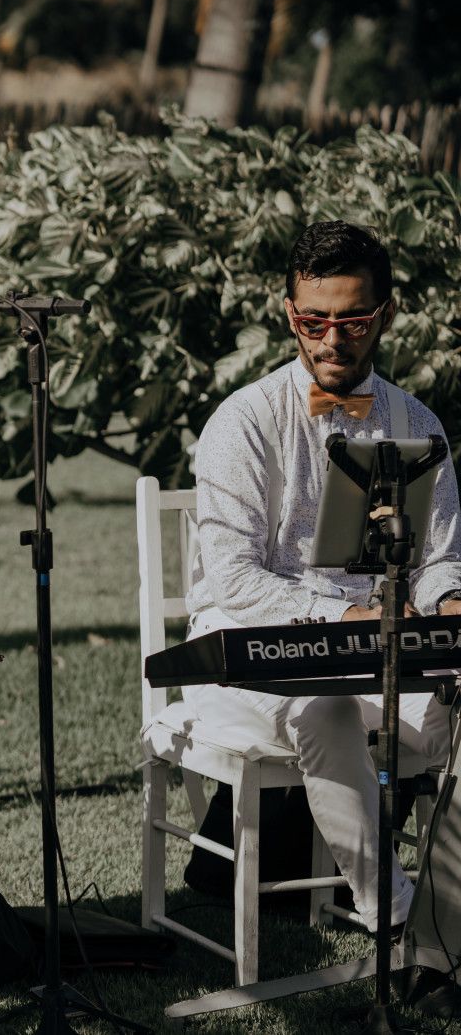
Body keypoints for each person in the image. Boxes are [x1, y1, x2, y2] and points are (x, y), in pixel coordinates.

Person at [185, 220, 461, 931]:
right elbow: (237, 580)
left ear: (386, 316)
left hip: (375, 656)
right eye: (314, 321)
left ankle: (448, 912)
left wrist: (450, 600)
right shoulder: (243, 421)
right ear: (290, 316)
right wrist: (342, 618)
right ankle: (400, 927)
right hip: (242, 657)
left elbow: (438, 559)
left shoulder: (419, 423)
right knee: (326, 708)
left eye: (353, 321)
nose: (332, 339)